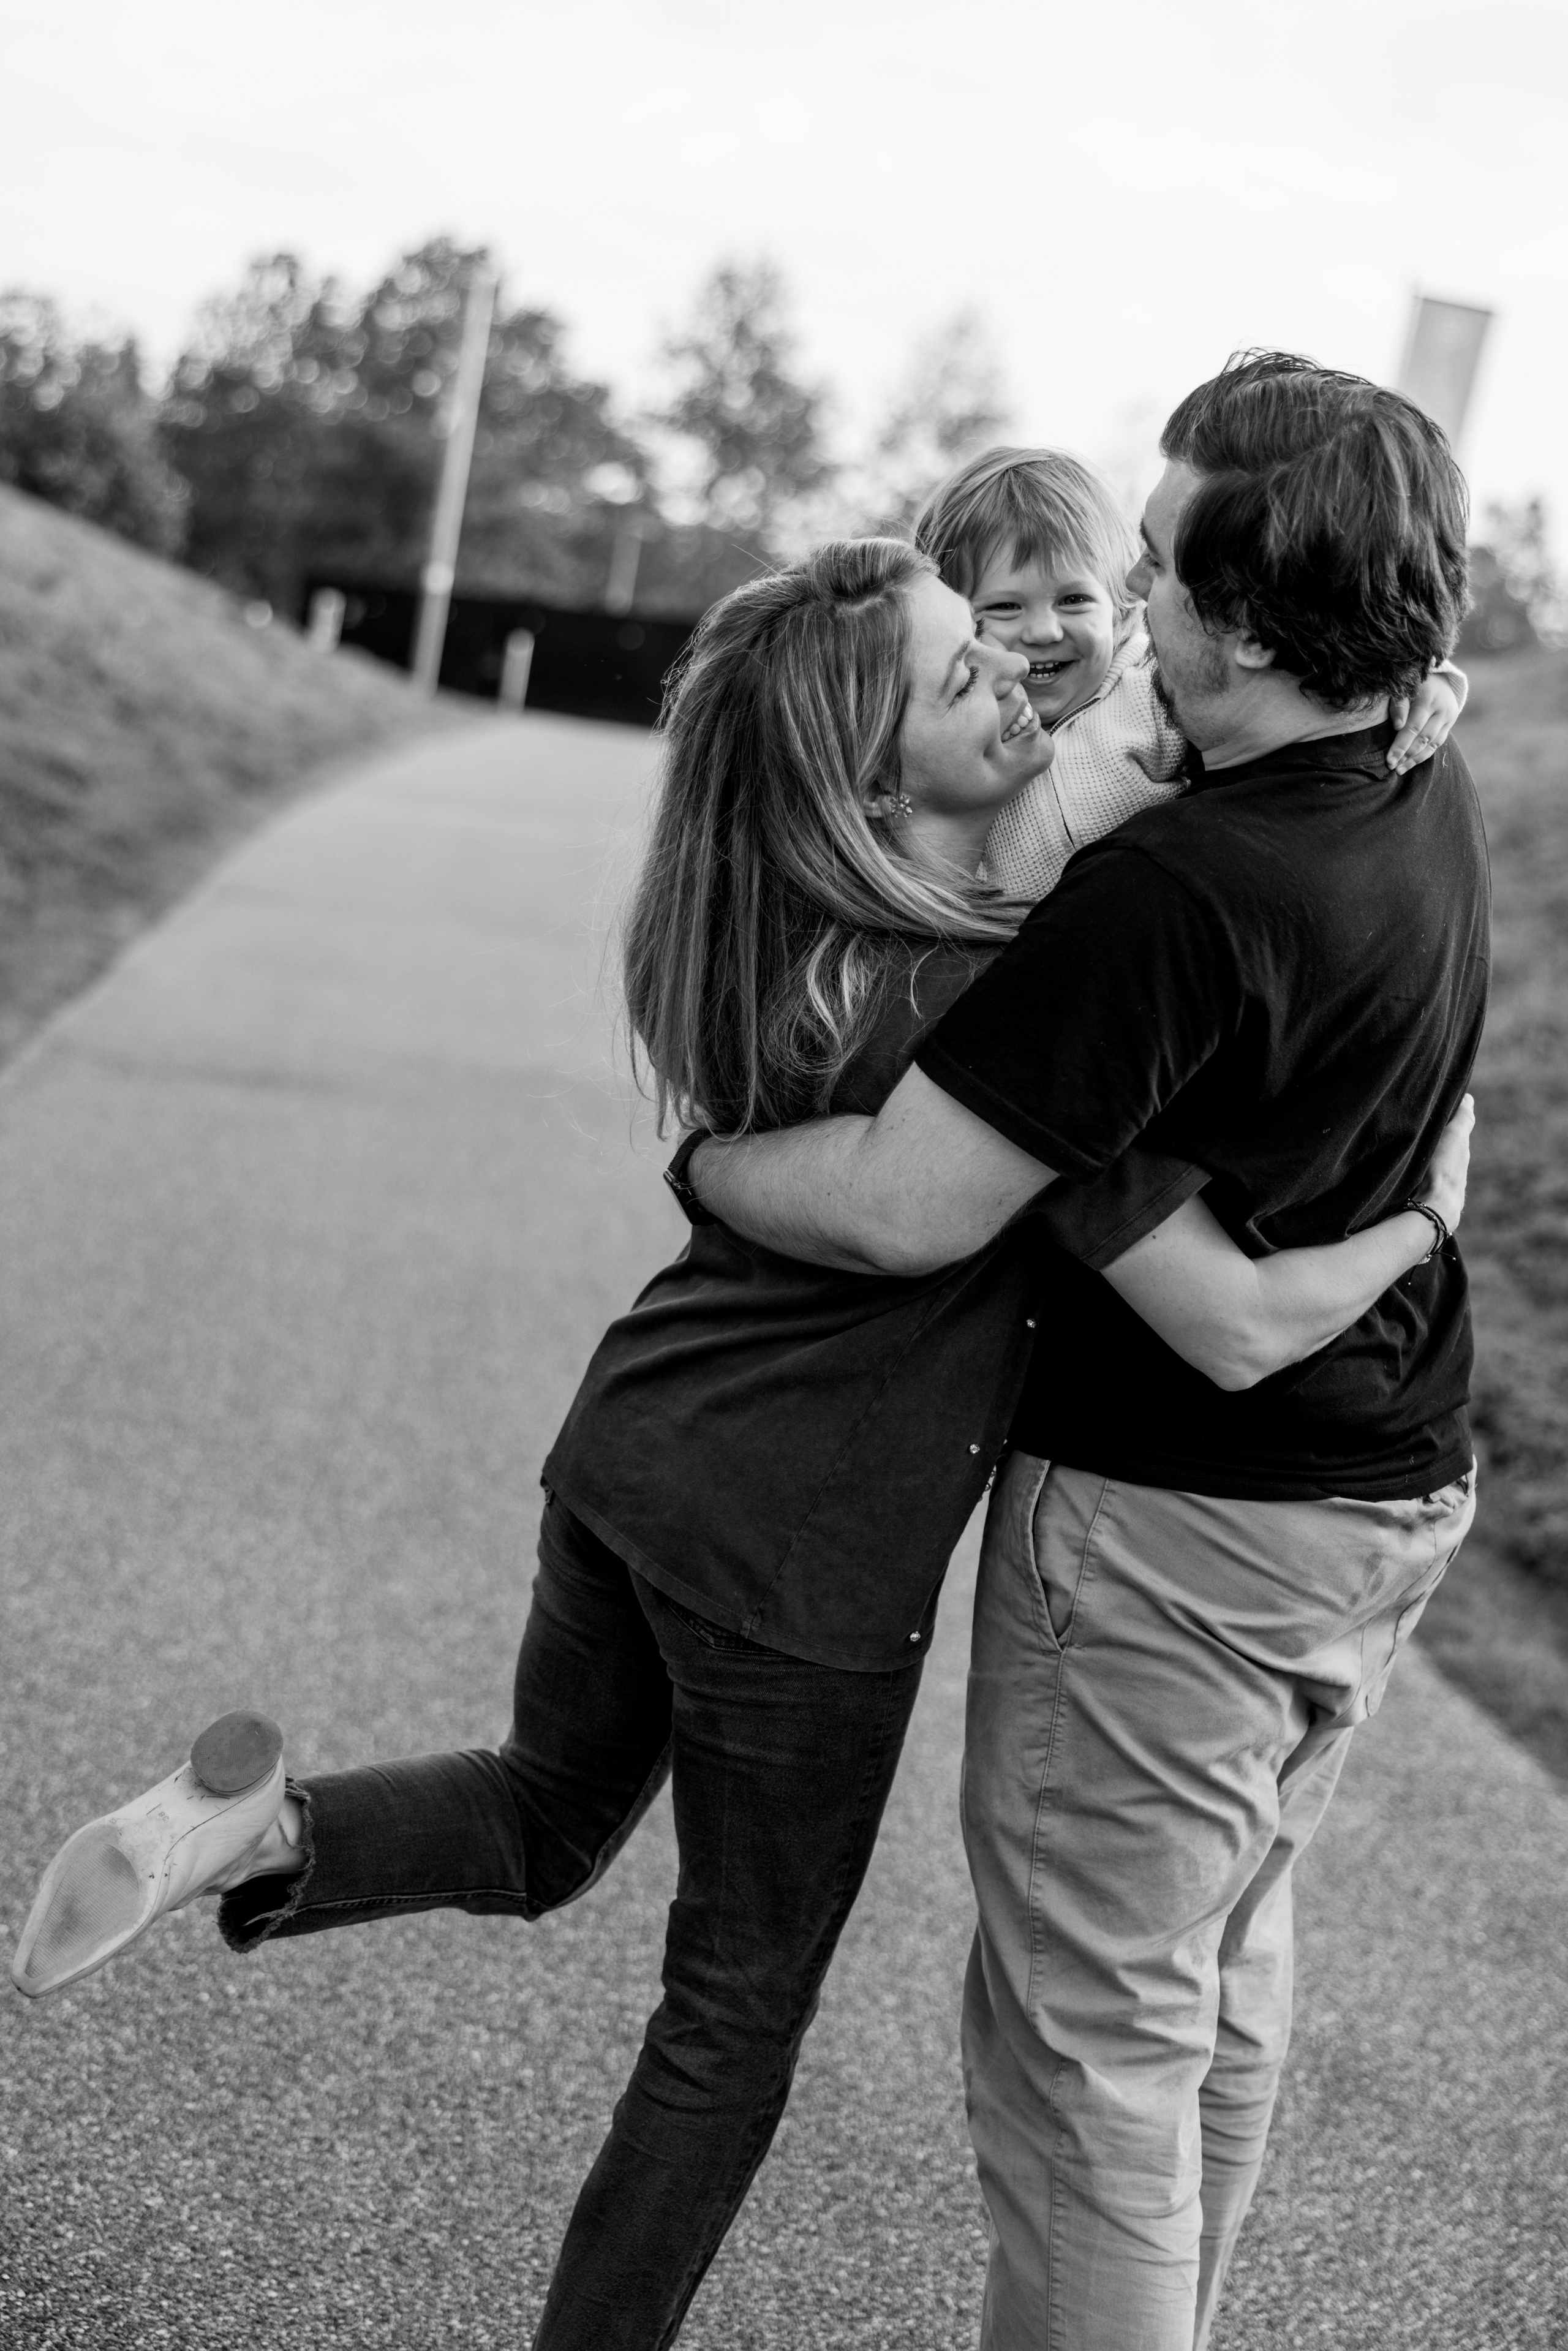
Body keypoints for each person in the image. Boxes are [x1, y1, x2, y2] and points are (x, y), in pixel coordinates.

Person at [14, 534, 1471, 2351]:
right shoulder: (1012, 1014)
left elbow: (1096, 770)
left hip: (630, 1454)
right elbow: (1233, 1319)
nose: (1021, 683)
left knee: (549, 1814)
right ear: (873, 774)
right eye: (963, 677)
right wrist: (1422, 1219)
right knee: (730, 2016)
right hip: (803, 1552)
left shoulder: (789, 941)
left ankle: (250, 1827)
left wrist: (1353, 692)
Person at [685, 357, 1488, 2351]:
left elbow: (899, 1205)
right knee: (1210, 1987)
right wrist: (1412, 1225)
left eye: (1150, 568)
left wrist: (709, 1155)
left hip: (1178, 1536)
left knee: (1090, 2052)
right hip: (1382, 1488)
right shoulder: (1412, 762)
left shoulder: (1165, 895)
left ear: (1241, 617)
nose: (1121, 600)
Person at [912, 442, 1467, 902]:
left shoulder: (1154, 689)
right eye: (1005, 608)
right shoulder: (948, 716)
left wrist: (1420, 676)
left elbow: (1312, 657)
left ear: (1122, 601)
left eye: (1075, 600)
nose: (1043, 632)